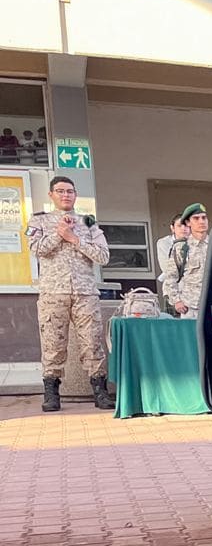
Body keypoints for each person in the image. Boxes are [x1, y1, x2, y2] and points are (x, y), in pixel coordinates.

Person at [23, 176, 114, 413]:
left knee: (92, 343)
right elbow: (36, 249)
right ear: (51, 195)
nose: (66, 195)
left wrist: (74, 239)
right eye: (60, 191)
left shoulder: (89, 222)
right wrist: (59, 234)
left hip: (85, 292)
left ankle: (100, 392)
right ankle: (51, 393)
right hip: (53, 292)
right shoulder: (39, 220)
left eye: (70, 191)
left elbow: (103, 256)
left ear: (75, 195)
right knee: (53, 344)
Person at [160, 203, 210, 319]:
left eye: (204, 218)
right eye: (196, 218)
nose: (201, 221)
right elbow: (170, 277)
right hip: (191, 307)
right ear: (188, 223)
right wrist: (176, 300)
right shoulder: (182, 248)